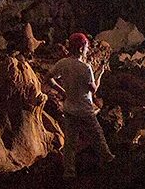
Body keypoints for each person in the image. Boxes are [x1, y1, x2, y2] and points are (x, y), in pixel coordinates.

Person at [47, 32, 115, 176]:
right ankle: (109, 162)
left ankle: (69, 173)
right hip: (85, 111)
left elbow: (49, 78)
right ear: (80, 49)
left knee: (70, 143)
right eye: (86, 47)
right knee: (98, 137)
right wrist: (100, 75)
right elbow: (93, 90)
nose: (87, 50)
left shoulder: (63, 63)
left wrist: (63, 91)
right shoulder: (86, 68)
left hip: (69, 110)